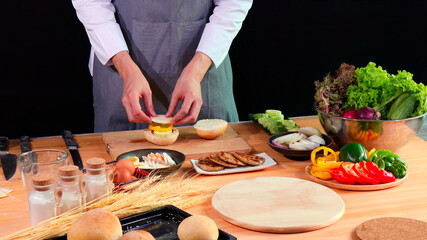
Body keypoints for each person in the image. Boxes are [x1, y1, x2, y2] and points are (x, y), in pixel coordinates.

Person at [71, 0, 253, 132]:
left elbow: (234, 4)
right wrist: (127, 70)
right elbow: (91, 4)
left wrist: (196, 70)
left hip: (203, 68)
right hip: (121, 65)